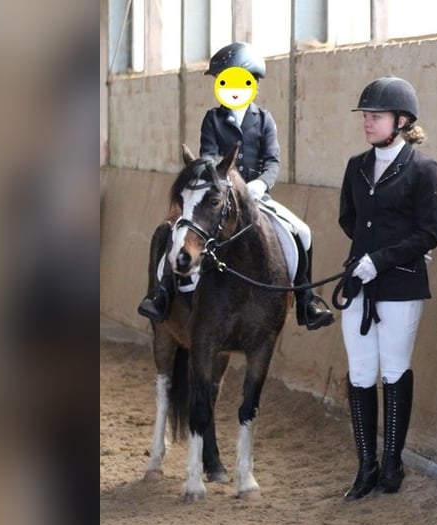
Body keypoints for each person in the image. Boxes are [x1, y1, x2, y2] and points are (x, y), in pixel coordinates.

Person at [138, 41, 334, 331]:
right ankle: (162, 294)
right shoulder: (213, 119)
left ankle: (307, 300)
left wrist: (260, 185)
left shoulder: (264, 120)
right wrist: (225, 183)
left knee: (302, 232)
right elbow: (207, 157)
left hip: (257, 198)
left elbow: (273, 162)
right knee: (180, 234)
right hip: (218, 198)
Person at [338, 76, 437, 500]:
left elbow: (429, 233)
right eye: (365, 116)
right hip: (358, 284)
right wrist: (362, 261)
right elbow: (348, 218)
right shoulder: (356, 166)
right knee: (360, 371)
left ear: (401, 121)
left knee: (393, 369)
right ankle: (366, 465)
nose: (367, 122)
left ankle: (392, 463)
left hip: (400, 285)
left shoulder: (422, 169)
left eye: (375, 116)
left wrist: (380, 259)